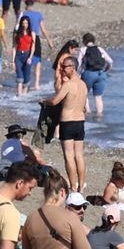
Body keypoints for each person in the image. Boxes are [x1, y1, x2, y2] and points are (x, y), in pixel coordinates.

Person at [49, 56, 88, 192]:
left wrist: (44, 102)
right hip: (80, 122)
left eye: (65, 67)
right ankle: (81, 187)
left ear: (73, 67)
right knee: (79, 155)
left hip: (68, 121)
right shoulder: (83, 84)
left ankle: (73, 186)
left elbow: (55, 101)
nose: (63, 69)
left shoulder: (68, 85)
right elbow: (84, 107)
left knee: (69, 155)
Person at [78, 32, 112, 117]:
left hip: (88, 73)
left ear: (84, 41)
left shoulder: (83, 50)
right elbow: (110, 61)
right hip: (100, 74)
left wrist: (78, 74)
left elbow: (78, 64)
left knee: (85, 94)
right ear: (93, 40)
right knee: (98, 97)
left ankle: (87, 113)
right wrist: (106, 70)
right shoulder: (100, 49)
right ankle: (99, 115)